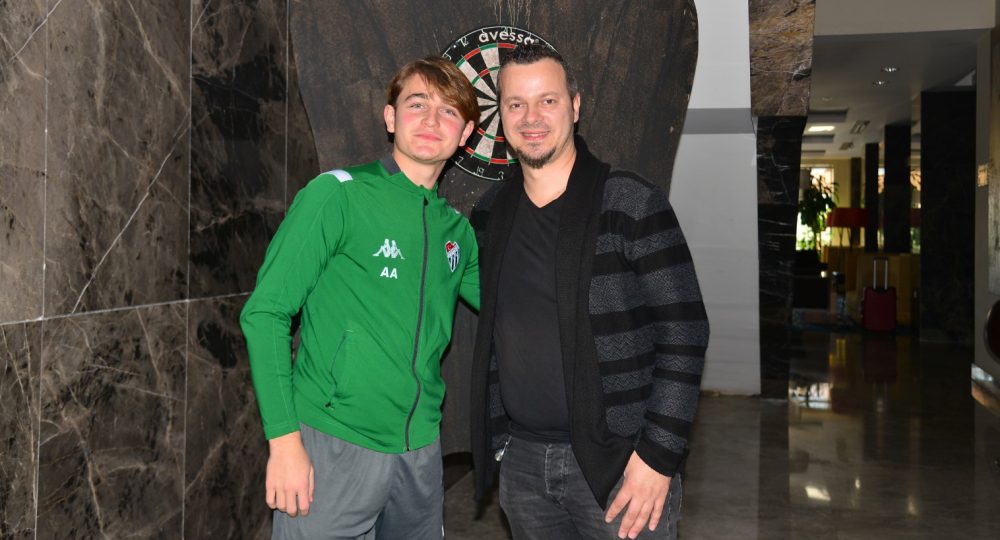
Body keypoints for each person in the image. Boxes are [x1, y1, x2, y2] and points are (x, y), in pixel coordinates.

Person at [469, 43, 709, 540]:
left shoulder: (630, 202)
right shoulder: (491, 214)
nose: (531, 117)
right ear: (501, 116)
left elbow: (685, 333)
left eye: (548, 100)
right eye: (516, 104)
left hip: (622, 465)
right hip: (524, 465)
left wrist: (657, 456)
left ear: (575, 106)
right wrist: (502, 445)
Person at [240, 56, 480, 539]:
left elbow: (516, 309)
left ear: (466, 134)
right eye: (417, 104)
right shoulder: (338, 195)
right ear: (390, 117)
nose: (431, 120)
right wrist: (284, 441)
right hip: (333, 444)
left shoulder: (458, 232)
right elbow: (265, 313)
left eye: (449, 111)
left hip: (420, 453)